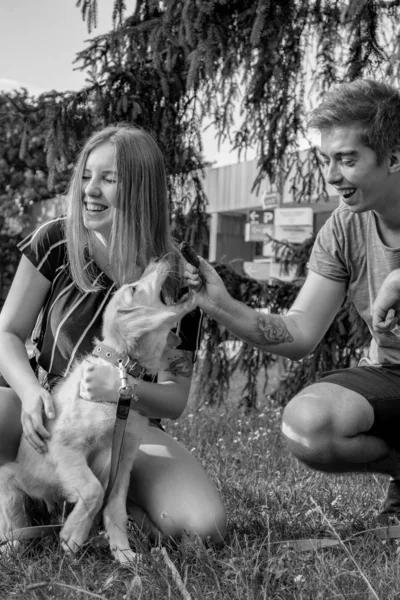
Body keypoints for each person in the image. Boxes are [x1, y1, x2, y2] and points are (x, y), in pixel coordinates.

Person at [185, 79, 400, 526]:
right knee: (308, 424)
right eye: (327, 160)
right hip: (392, 372)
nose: (332, 176)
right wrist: (221, 305)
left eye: (347, 159)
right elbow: (301, 332)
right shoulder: (343, 229)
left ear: (394, 157)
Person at [0, 124, 226, 544]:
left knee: (202, 525)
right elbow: (7, 333)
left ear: (140, 189)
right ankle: (42, 501)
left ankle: (100, 510)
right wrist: (31, 394)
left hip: (128, 431)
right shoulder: (56, 241)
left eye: (108, 179)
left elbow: (174, 399)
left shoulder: (176, 278)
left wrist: (120, 389)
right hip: (50, 414)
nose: (90, 190)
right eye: (86, 176)